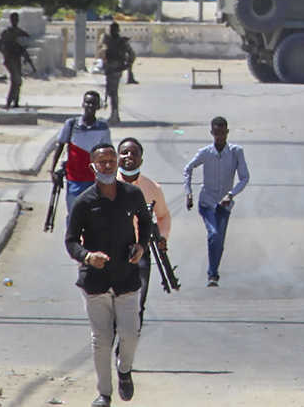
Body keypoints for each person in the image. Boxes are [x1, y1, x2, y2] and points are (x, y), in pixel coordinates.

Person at [66, 142, 156, 407]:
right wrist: (87, 257)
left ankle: (125, 371)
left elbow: (147, 223)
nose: (107, 166)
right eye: (102, 162)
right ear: (93, 167)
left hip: (127, 278)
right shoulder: (84, 203)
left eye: (111, 161)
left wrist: (142, 246)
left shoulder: (132, 194)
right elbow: (71, 241)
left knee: (131, 334)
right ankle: (104, 394)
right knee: (101, 341)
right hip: (95, 283)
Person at [183, 116, 249, 287]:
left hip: (224, 204)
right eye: (216, 133)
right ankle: (212, 275)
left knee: (219, 240)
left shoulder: (236, 152)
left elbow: (244, 177)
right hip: (207, 202)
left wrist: (231, 194)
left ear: (227, 132)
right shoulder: (205, 152)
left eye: (222, 133)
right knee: (214, 234)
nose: (219, 137)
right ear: (212, 133)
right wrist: (188, 193)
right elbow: (188, 169)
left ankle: (214, 271)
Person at [117, 137, 172, 324]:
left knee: (138, 305)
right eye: (124, 152)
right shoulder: (104, 187)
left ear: (141, 159)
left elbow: (163, 216)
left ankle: (125, 348)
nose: (129, 156)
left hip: (141, 252)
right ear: (117, 157)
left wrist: (163, 237)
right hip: (113, 252)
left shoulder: (152, 188)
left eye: (134, 153)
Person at [49, 91, 112, 200]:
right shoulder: (71, 124)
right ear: (83, 104)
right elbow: (60, 146)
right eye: (87, 103)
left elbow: (108, 153)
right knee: (74, 214)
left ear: (98, 106)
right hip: (74, 178)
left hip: (94, 180)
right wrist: (53, 170)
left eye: (93, 103)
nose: (90, 106)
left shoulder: (103, 128)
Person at [97, 24, 131, 124]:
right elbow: (131, 55)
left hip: (114, 69)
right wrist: (126, 66)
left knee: (113, 92)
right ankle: (114, 114)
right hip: (114, 69)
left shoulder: (114, 41)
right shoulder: (119, 41)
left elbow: (131, 55)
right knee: (112, 92)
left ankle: (115, 114)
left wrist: (126, 66)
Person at [0, 13, 31, 108]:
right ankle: (10, 101)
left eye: (16, 19)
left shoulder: (20, 33)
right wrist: (6, 52)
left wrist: (24, 55)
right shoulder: (6, 33)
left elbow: (24, 45)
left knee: (17, 81)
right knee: (16, 80)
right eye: (13, 19)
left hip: (16, 59)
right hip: (10, 60)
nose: (15, 21)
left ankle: (15, 102)